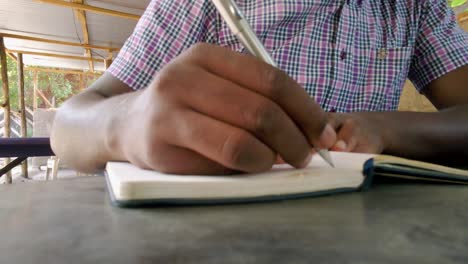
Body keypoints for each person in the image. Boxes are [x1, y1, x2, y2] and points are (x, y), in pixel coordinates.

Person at [51, 0, 468, 174]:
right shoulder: (204, 4)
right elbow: (67, 127)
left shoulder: (414, 7)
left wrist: (386, 129)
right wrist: (124, 124)